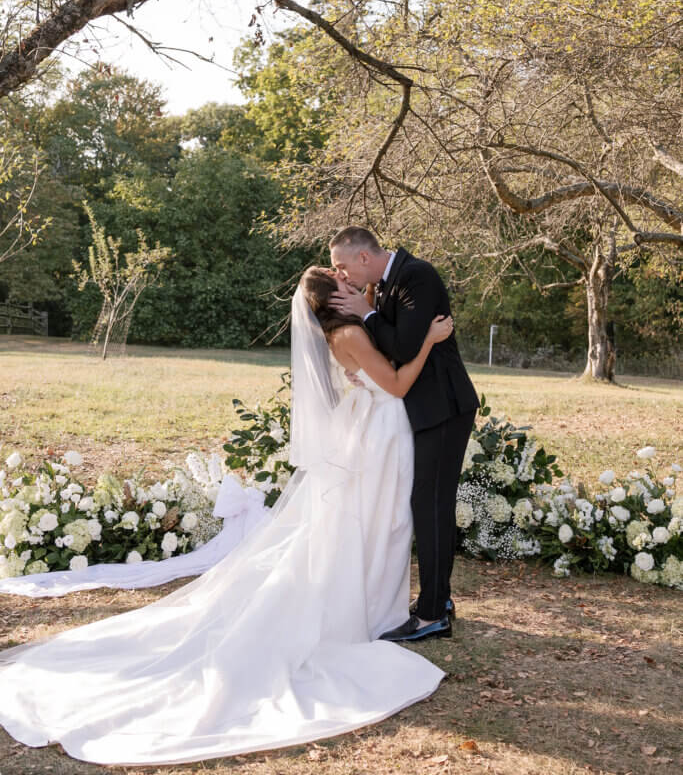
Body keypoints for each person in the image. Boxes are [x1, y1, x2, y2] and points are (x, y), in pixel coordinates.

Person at [0, 268, 452, 767]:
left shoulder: (342, 330)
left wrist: (364, 293)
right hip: (380, 430)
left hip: (371, 430)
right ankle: (368, 612)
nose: (353, 285)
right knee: (376, 524)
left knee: (370, 525)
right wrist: (428, 340)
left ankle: (374, 607)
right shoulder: (349, 333)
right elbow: (394, 383)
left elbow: (369, 340)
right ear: (335, 300)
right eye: (342, 283)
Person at [329, 227, 479, 643]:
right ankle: (440, 599)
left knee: (429, 504)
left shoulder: (418, 276)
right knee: (428, 504)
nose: (341, 274)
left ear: (364, 257)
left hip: (444, 408)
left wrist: (366, 312)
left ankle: (432, 613)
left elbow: (407, 346)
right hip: (425, 409)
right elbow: (392, 349)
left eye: (343, 265)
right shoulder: (385, 283)